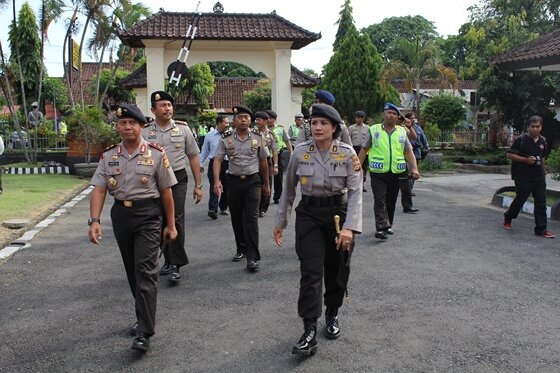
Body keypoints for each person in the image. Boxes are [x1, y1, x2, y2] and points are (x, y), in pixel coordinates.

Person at [273, 104, 363, 356]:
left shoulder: (347, 154)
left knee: (336, 271)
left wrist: (350, 227)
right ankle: (309, 329)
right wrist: (281, 222)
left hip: (338, 216)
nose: (318, 127)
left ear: (334, 128)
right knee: (311, 272)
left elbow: (356, 192)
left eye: (323, 123)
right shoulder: (300, 152)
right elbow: (288, 190)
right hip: (309, 216)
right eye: (314, 123)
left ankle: (332, 314)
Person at [88, 104, 178, 351]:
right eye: (122, 123)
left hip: (149, 215)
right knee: (132, 271)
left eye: (132, 123)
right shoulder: (108, 157)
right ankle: (142, 317)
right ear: (117, 127)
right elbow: (99, 188)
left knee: (146, 270)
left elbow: (166, 192)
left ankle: (145, 332)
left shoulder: (157, 154)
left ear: (142, 126)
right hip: (121, 216)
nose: (127, 127)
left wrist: (171, 225)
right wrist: (94, 221)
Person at [142, 91, 203, 284]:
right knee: (158, 219)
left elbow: (193, 156)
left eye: (169, 105)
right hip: (153, 179)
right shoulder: (144, 132)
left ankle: (176, 264)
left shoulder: (183, 130)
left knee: (175, 219)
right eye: (163, 105)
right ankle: (167, 259)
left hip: (177, 178)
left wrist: (198, 185)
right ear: (153, 110)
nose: (167, 108)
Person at [213, 105, 270, 272]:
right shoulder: (226, 137)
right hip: (234, 181)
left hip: (253, 182)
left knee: (251, 218)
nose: (243, 120)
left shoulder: (258, 137)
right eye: (240, 117)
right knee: (237, 218)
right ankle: (241, 249)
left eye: (246, 117)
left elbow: (263, 161)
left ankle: (252, 257)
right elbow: (217, 159)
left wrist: (266, 184)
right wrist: (217, 181)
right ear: (234, 120)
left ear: (250, 120)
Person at [358, 103, 420, 240]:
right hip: (378, 173)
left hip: (396, 172)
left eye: (394, 114)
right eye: (389, 113)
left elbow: (409, 152)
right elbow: (363, 150)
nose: (391, 115)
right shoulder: (374, 130)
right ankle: (381, 227)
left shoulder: (402, 132)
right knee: (380, 199)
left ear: (397, 117)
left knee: (391, 201)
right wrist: (357, 168)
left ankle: (388, 225)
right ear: (384, 115)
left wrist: (414, 167)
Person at [503, 115, 555, 238]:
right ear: (528, 127)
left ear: (541, 127)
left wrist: (544, 170)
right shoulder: (521, 140)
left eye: (538, 126)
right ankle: (508, 216)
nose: (536, 129)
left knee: (541, 203)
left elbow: (542, 157)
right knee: (520, 200)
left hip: (538, 178)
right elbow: (509, 155)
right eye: (533, 126)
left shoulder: (543, 140)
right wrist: (525, 160)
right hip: (523, 177)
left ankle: (541, 229)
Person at [200, 115, 230, 219]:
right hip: (214, 163)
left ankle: (223, 206)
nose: (227, 124)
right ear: (219, 123)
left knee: (227, 187)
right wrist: (201, 164)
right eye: (225, 122)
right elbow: (204, 150)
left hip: (226, 163)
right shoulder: (210, 135)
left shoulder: (230, 135)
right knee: (214, 185)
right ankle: (213, 209)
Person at [255, 111, 279, 217]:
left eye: (259, 120)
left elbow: (274, 151)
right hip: (254, 161)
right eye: (256, 120)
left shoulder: (271, 135)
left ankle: (263, 208)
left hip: (267, 161)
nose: (257, 122)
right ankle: (255, 206)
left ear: (265, 121)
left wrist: (275, 165)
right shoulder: (252, 133)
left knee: (267, 183)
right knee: (255, 183)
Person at [266, 109, 292, 204]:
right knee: (266, 177)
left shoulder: (280, 129)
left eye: (270, 118)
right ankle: (265, 197)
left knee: (278, 177)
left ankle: (278, 196)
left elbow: (286, 141)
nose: (268, 120)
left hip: (278, 154)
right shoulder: (263, 129)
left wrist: (291, 152)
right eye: (267, 118)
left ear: (275, 119)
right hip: (266, 156)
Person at [398, 115, 419, 213]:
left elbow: (414, 137)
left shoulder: (403, 129)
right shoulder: (383, 129)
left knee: (406, 186)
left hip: (402, 162)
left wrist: (409, 126)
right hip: (388, 164)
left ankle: (407, 206)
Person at [347, 110, 370, 192]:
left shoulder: (368, 128)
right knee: (354, 167)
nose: (357, 119)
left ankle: (362, 184)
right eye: (356, 118)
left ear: (363, 118)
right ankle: (354, 183)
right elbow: (348, 140)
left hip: (364, 149)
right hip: (354, 149)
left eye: (359, 118)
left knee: (363, 167)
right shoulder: (351, 128)